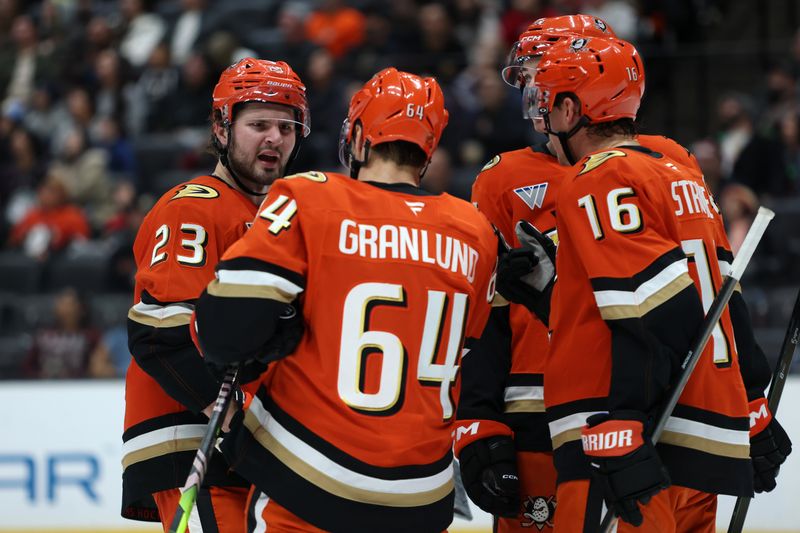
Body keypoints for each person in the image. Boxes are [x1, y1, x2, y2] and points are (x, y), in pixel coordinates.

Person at [454, 14, 752, 532]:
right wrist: (478, 421)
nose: (535, 101)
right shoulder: (510, 177)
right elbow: (489, 311)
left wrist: (625, 421)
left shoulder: (625, 168)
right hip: (555, 407)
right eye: (529, 79)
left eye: (543, 79)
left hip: (615, 413)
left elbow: (670, 304)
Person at [192, 67, 499, 533]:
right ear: (428, 148)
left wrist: (275, 330)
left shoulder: (309, 196)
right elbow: (471, 344)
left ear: (357, 136)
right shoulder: (474, 229)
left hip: (308, 479)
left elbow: (221, 331)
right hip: (422, 495)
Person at [529, 36, 789, 531]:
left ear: (572, 109)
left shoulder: (597, 177)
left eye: (547, 105)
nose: (543, 124)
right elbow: (724, 298)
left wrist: (624, 423)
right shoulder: (681, 175)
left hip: (631, 438)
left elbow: (653, 311)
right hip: (699, 429)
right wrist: (750, 398)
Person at [122, 57, 310, 531]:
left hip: (246, 441)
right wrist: (231, 419)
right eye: (259, 124)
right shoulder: (194, 208)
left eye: (287, 127)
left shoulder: (279, 217)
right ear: (222, 129)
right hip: (193, 435)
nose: (275, 139)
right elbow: (159, 335)